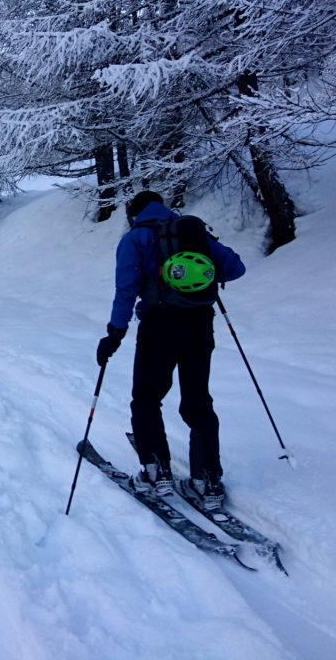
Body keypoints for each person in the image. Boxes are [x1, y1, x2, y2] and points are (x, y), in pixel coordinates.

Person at [96, 190, 245, 510]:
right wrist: (201, 273)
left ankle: (154, 471)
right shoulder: (193, 231)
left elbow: (126, 290)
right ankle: (207, 479)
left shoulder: (135, 239)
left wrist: (114, 333)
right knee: (198, 401)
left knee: (147, 398)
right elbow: (235, 268)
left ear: (134, 214)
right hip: (200, 324)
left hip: (158, 326)